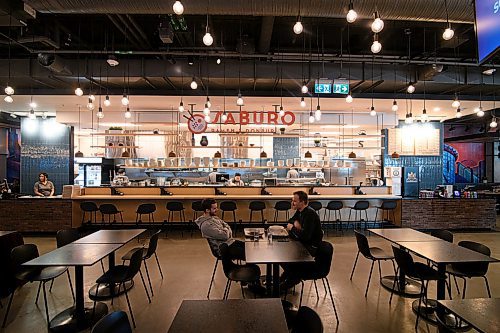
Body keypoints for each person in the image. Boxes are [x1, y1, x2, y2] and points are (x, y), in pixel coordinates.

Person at [281, 190, 323, 289]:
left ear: (302, 202)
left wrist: (293, 228)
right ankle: (289, 277)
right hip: (303, 243)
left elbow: (305, 236)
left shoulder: (309, 214)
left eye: (295, 201)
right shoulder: (300, 211)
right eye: (292, 200)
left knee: (284, 257)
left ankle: (293, 278)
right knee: (284, 254)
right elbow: (290, 221)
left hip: (310, 247)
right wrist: (295, 225)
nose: (292, 203)